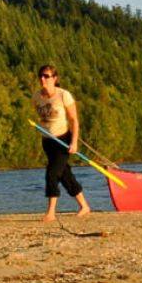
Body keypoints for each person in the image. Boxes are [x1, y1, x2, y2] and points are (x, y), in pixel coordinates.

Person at [32, 64, 91, 221]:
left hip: (63, 140)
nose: (43, 78)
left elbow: (74, 120)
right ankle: (84, 206)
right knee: (65, 175)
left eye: (47, 76)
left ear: (55, 78)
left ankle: (51, 212)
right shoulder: (36, 97)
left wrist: (74, 142)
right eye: (41, 76)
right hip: (47, 142)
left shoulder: (64, 95)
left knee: (52, 174)